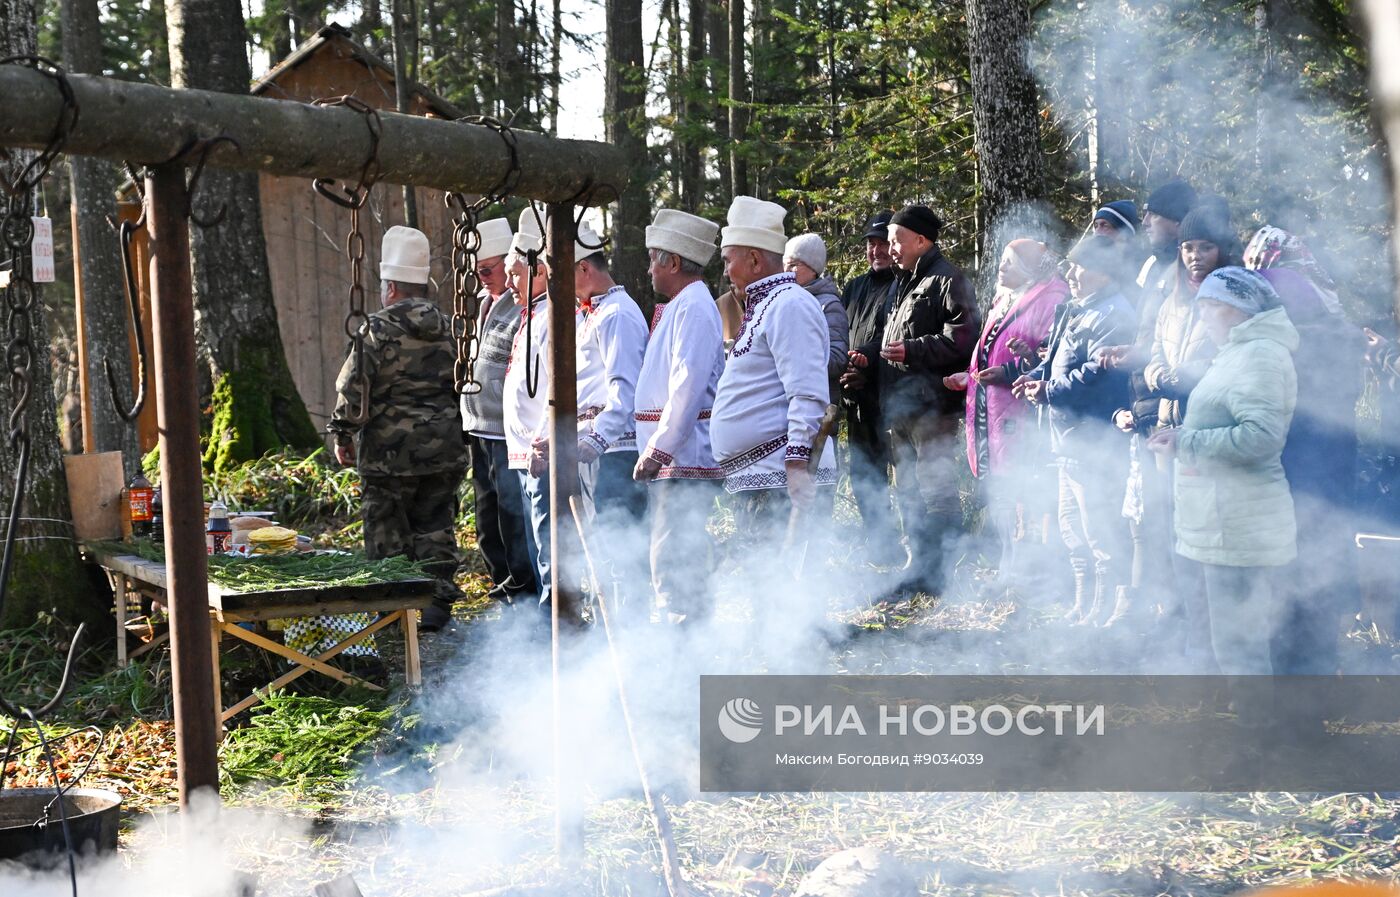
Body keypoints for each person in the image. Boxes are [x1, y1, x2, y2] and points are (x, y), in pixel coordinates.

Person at [1146, 268, 1298, 676]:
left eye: (1208, 309)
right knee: (1229, 639)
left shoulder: (1260, 355)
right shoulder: (1236, 353)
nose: (1201, 319)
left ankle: (1258, 731)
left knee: (1240, 643)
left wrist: (1187, 443)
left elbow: (1262, 436)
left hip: (1239, 522)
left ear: (1234, 310)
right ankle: (1250, 723)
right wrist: (1184, 434)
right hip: (1220, 518)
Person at [329, 225, 469, 643]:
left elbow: (354, 387)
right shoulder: (451, 326)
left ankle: (394, 609)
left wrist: (343, 434)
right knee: (436, 524)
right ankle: (437, 604)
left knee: (387, 529)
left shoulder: (376, 329)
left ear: (390, 287)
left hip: (389, 453)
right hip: (444, 447)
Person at [849, 204, 977, 595]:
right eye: (887, 241)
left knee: (935, 489)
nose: (889, 249)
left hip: (932, 407)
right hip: (899, 406)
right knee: (907, 488)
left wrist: (915, 350)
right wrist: (869, 357)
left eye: (895, 240)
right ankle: (917, 565)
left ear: (921, 240)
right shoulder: (902, 282)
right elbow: (888, 337)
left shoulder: (948, 279)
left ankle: (945, 570)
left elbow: (964, 338)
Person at [1013, 235, 1136, 627]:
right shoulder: (1077, 308)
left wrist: (1050, 391)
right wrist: (1033, 377)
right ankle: (1082, 606)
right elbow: (1055, 360)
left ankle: (1105, 612)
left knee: (1098, 530)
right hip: (1064, 437)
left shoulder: (1114, 312)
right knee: (1071, 528)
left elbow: (1097, 374)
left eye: (1080, 267)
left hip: (1091, 437)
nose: (1071, 273)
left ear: (1103, 271)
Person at [1251, 243, 1363, 674]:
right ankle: (1308, 708)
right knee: (1309, 596)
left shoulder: (1298, 348)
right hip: (1319, 494)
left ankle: (1300, 716)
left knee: (1295, 600)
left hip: (1300, 490)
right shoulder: (1331, 337)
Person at [710, 196, 837, 554]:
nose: (724, 270)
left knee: (788, 595)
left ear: (753, 259)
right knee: (766, 595)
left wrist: (797, 465)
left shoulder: (789, 304)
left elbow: (808, 392)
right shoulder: (767, 305)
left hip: (781, 480)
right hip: (765, 480)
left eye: (727, 260)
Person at [945, 239, 1068, 595]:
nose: (1001, 269)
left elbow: (1051, 356)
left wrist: (1013, 369)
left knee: (1020, 489)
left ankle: (1029, 573)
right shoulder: (1003, 300)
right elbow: (986, 353)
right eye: (1002, 261)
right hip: (988, 407)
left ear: (1030, 269)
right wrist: (969, 377)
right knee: (998, 488)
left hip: (1020, 409)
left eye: (1010, 263)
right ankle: (1007, 564)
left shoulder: (1051, 298)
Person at [633, 209, 726, 625]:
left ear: (672, 262)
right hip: (675, 455)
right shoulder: (682, 305)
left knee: (675, 548)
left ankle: (683, 628)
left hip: (683, 456)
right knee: (669, 544)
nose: (649, 268)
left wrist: (659, 448)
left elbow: (686, 386)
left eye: (653, 258)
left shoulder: (694, 308)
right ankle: (680, 622)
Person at [568, 220, 650, 606]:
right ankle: (612, 626)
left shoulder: (617, 313)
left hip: (615, 451)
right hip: (595, 446)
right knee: (603, 543)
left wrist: (597, 439)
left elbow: (625, 389)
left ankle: (632, 630)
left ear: (584, 268)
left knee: (622, 547)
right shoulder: (592, 314)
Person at [460, 216, 537, 607]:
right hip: (480, 426)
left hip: (507, 431)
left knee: (513, 516)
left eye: (488, 269)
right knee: (488, 517)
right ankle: (502, 581)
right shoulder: (481, 305)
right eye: (479, 272)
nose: (486, 278)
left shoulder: (520, 304)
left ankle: (523, 588)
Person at [501, 208, 561, 621]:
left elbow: (555, 387)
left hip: (538, 450)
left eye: (514, 273)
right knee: (537, 541)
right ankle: (545, 616)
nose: (508, 285)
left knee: (549, 543)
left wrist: (541, 438)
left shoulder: (551, 318)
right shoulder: (531, 315)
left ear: (538, 271)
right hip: (523, 451)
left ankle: (552, 622)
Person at [838, 211, 898, 556]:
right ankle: (880, 542)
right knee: (863, 474)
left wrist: (866, 363)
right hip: (855, 396)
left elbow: (892, 336)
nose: (874, 250)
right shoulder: (855, 286)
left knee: (903, 476)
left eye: (881, 243)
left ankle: (910, 547)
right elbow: (840, 332)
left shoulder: (902, 284)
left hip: (889, 395)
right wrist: (844, 365)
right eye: (870, 244)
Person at [783, 232, 850, 397]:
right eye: (784, 264)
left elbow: (837, 360)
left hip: (816, 406)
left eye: (793, 265)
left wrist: (794, 353)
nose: (786, 271)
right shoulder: (785, 300)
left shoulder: (828, 305)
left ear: (813, 268)